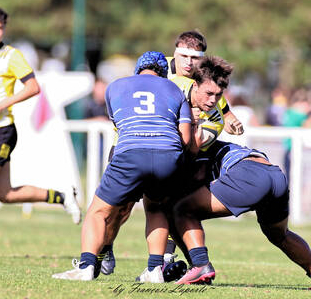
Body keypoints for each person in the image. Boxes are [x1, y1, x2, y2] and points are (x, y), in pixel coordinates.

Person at [100, 31, 244, 275]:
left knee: (166, 205)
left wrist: (223, 115)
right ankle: (105, 246)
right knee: (119, 208)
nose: (188, 62)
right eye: (183, 55)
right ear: (174, 52)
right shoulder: (158, 66)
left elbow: (217, 106)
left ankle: (163, 261)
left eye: (194, 57)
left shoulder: (205, 85)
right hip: (129, 142)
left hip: (168, 151)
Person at [51, 51, 192, 281]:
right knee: (156, 208)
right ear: (163, 72)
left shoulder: (115, 87)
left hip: (131, 152)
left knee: (97, 211)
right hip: (168, 154)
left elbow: (120, 124)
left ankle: (87, 266)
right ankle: (155, 269)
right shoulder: (174, 89)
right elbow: (185, 138)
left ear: (138, 68)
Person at [170, 138, 311, 285]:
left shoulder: (196, 147)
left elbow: (197, 178)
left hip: (249, 175)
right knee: (280, 235)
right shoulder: (220, 145)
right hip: (275, 174)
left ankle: (199, 266)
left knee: (180, 210)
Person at [0, 7, 81, 224]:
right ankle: (63, 196)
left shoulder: (11, 56)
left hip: (0, 131)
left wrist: (2, 104)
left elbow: (33, 87)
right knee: (5, 194)